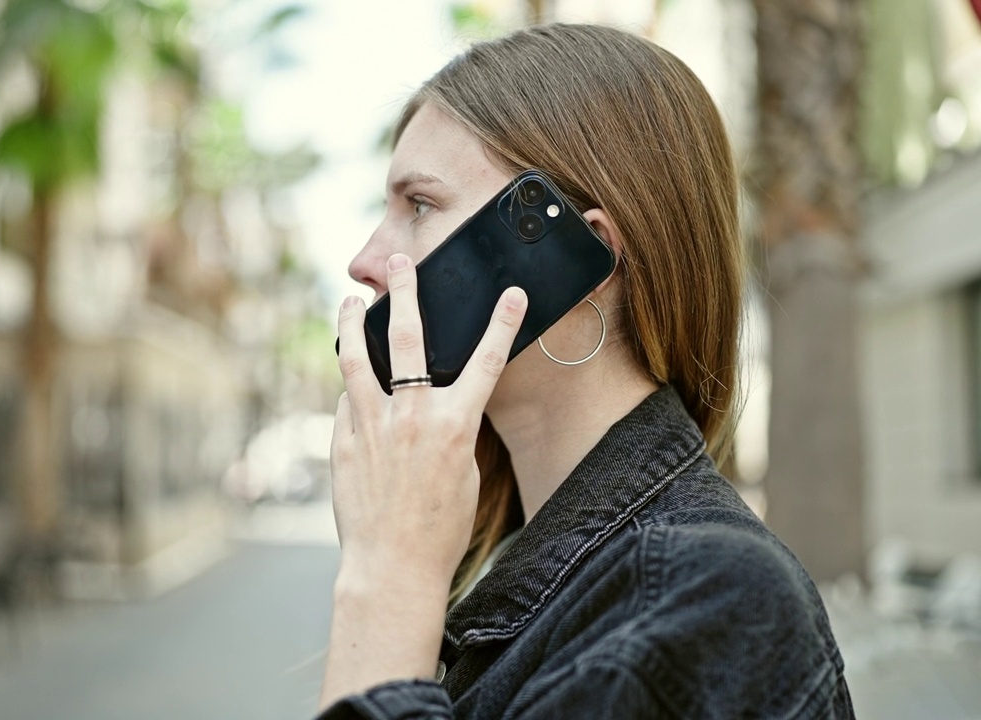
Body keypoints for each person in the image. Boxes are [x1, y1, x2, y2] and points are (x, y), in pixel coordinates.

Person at [316, 23, 854, 719]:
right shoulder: (526, 565)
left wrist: (386, 582)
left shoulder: (708, 596)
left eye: (418, 205)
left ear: (578, 259)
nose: (364, 259)